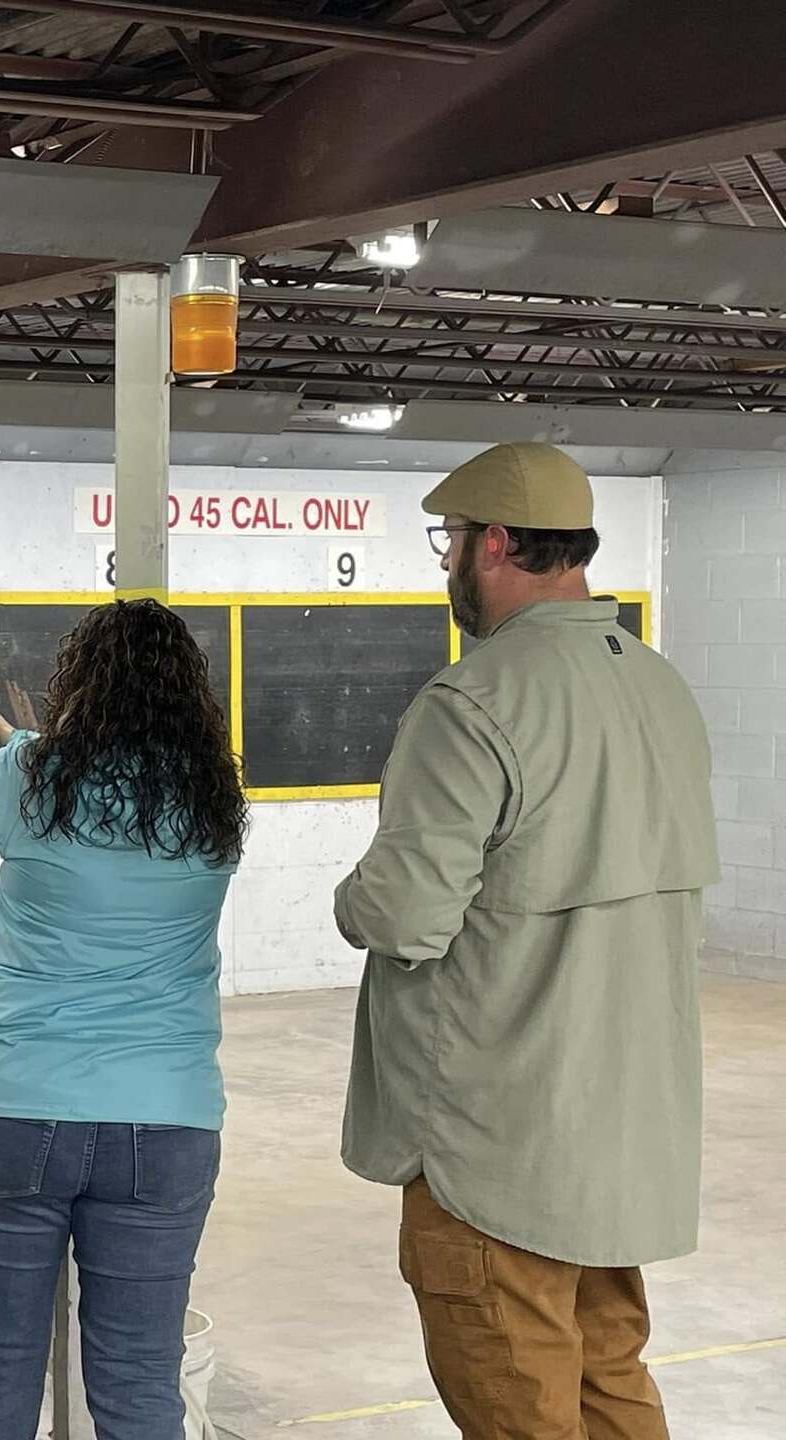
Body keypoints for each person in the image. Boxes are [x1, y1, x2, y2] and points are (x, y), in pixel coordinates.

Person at [334, 443, 719, 1440]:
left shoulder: (473, 702)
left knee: (517, 1405)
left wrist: (352, 897)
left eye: (451, 540)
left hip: (494, 1150)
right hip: (617, 1148)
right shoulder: (663, 690)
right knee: (608, 1384)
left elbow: (405, 914)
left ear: (496, 543)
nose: (448, 562)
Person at [0, 599, 247, 1440]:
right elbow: (102, 793)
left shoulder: (34, 775)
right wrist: (12, 738)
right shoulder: (211, 797)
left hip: (13, 1102)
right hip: (165, 1118)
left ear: (81, 683)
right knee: (140, 1382)